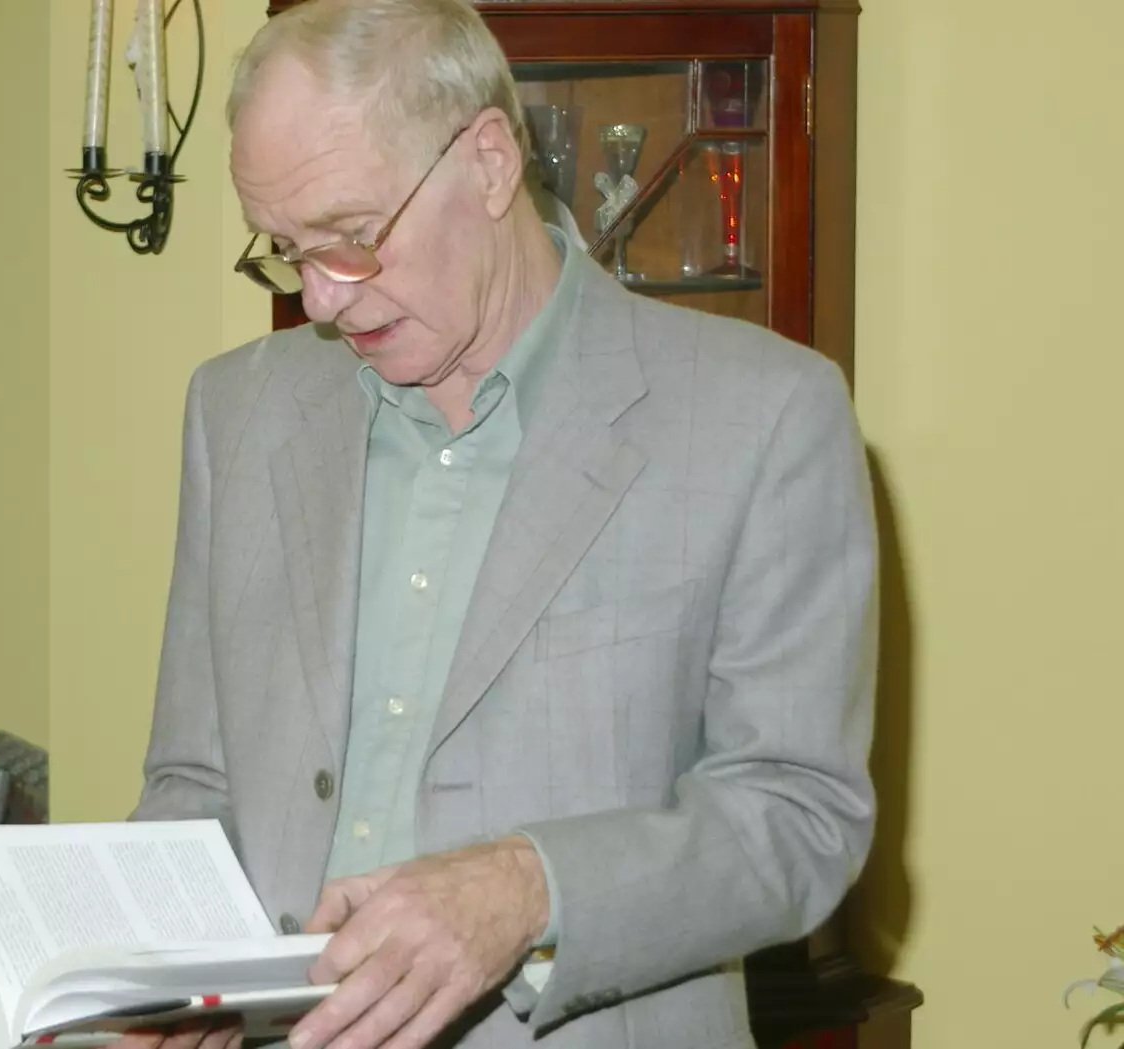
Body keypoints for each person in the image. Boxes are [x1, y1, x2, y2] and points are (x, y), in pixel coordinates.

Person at [125, 0, 879, 1047]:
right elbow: (193, 779)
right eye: (286, 250)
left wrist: (529, 887)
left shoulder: (762, 415)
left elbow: (800, 816)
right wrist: (175, 981)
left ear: (486, 162)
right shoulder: (237, 409)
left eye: (350, 237)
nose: (322, 300)